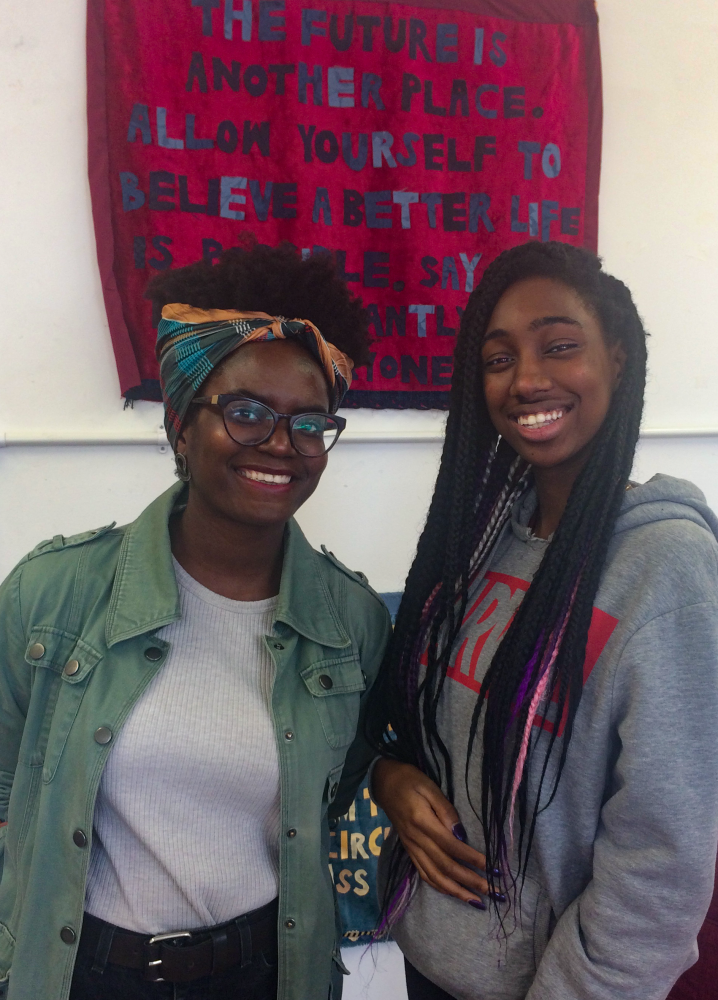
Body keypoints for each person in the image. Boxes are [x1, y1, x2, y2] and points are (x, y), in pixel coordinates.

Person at [0, 242, 391, 1000]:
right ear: (182, 424)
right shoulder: (53, 594)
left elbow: (336, 790)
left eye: (310, 422)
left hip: (266, 973)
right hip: (83, 973)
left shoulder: (353, 624)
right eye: (246, 412)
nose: (281, 443)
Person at [370, 241, 718, 1000]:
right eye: (498, 359)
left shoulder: (667, 567)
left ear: (618, 360)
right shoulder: (485, 535)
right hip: (431, 960)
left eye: (559, 347)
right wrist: (390, 778)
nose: (527, 379)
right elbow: (410, 719)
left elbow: (661, 864)